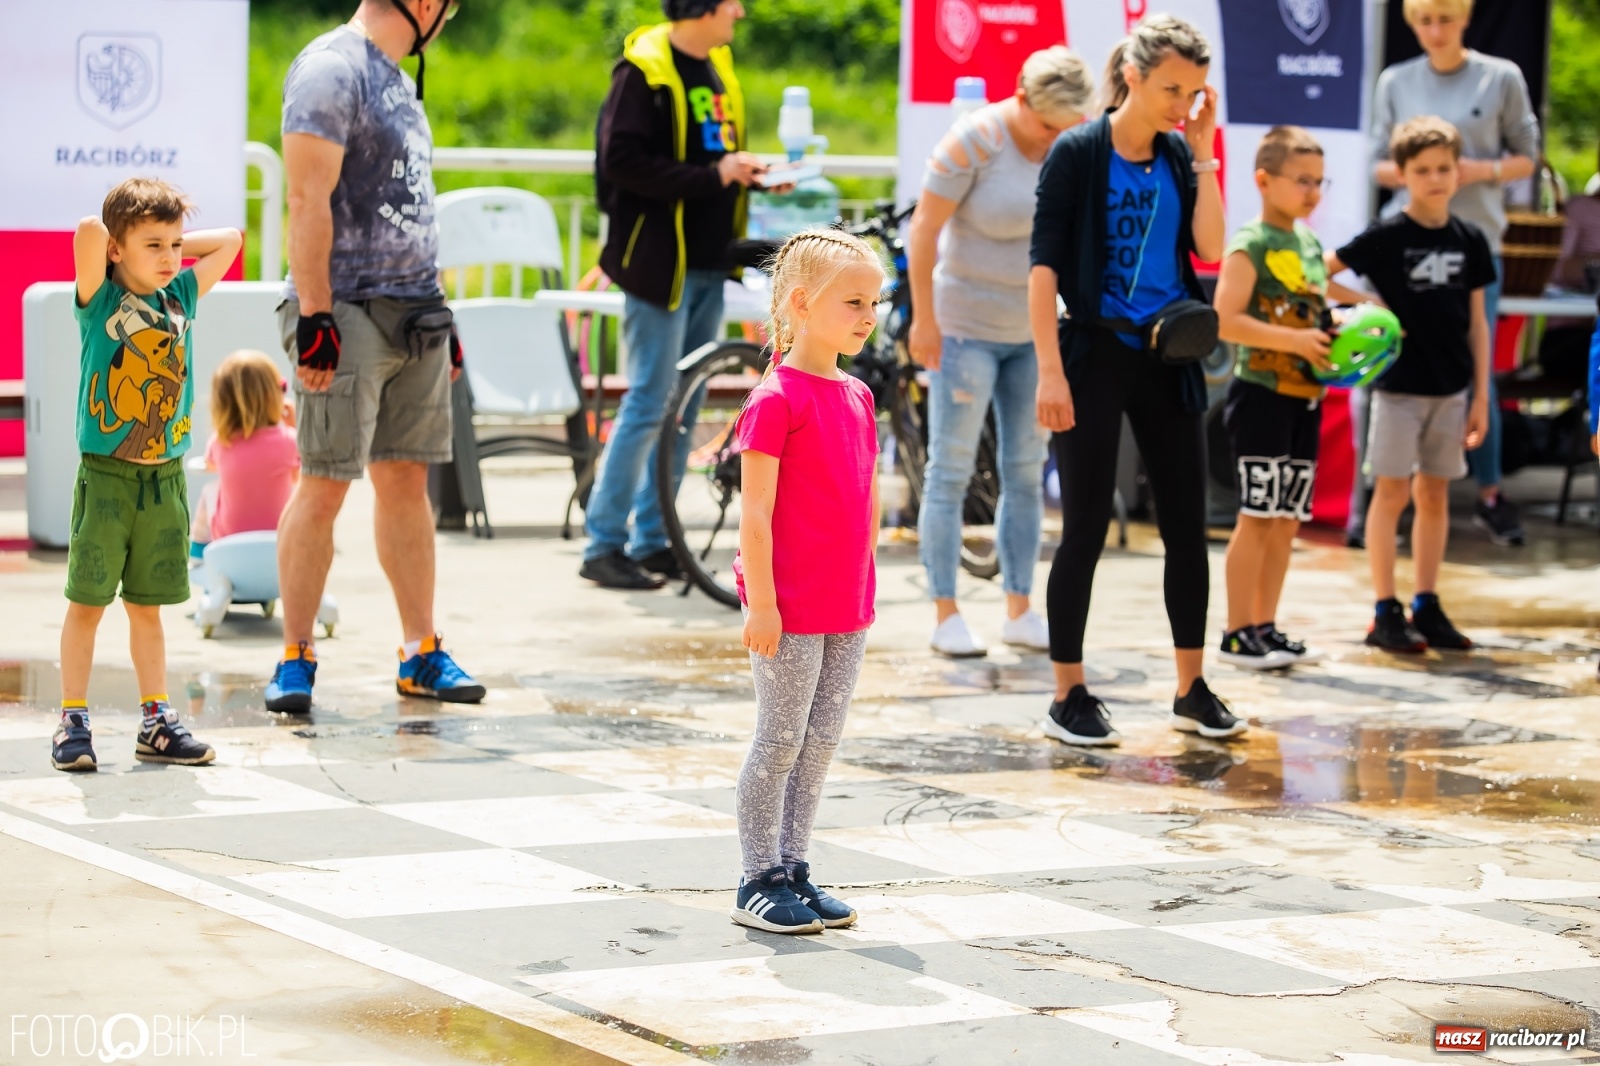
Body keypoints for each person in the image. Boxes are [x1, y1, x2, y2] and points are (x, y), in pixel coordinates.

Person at [1027, 14, 1246, 746]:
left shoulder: (1180, 154)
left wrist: (1205, 154)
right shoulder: (1079, 152)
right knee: (1085, 526)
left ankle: (1191, 687)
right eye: (1171, 89)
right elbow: (1043, 269)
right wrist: (1050, 373)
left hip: (1167, 354)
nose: (1182, 104)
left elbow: (1209, 248)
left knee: (1185, 525)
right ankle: (1068, 693)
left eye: (1194, 92)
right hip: (1093, 352)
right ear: (1133, 77)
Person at [267, 0, 484, 714]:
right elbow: (306, 197)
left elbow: (412, 206)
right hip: (348, 308)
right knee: (326, 480)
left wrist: (441, 312)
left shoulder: (396, 76)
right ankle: (296, 654)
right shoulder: (332, 68)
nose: (449, 17)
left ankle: (420, 651)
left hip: (416, 312)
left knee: (406, 482)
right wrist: (316, 315)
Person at [906, 46, 1092, 658]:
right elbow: (925, 230)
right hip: (963, 326)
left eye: (1064, 128)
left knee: (1026, 470)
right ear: (1020, 97)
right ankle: (945, 612)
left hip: (1032, 332)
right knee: (951, 469)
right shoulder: (975, 139)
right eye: (1044, 125)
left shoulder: (1070, 144)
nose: (1052, 138)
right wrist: (924, 319)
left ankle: (1019, 607)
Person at [51, 178, 241, 772]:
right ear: (117, 249)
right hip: (108, 478)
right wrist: (123, 242)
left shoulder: (180, 294)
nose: (169, 257)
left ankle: (156, 721)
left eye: (175, 245)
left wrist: (168, 243)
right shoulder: (100, 300)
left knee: (148, 608)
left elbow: (231, 241)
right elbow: (88, 231)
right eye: (153, 245)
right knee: (87, 604)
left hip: (164, 481)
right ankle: (73, 720)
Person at [584, 0, 767, 590]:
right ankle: (603, 544)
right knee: (649, 401)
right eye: (731, 2)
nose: (739, 12)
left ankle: (654, 538)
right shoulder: (644, 70)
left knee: (685, 405)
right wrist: (714, 176)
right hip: (660, 267)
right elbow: (621, 163)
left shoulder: (717, 67)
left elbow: (712, 154)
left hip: (710, 261)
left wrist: (741, 174)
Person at [730, 229, 881, 933]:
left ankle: (794, 866)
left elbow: (866, 498)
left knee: (820, 741)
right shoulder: (776, 400)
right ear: (801, 303)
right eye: (853, 302)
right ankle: (757, 876)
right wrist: (762, 604)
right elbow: (755, 515)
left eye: (874, 302)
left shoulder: (859, 396)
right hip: (788, 606)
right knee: (780, 740)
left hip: (846, 604)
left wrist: (864, 584)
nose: (868, 316)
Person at [1356, 0, 1539, 547]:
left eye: (1445, 19)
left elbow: (1528, 156)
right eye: (1425, 21)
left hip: (1473, 243)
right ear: (1412, 24)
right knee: (1392, 366)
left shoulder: (1499, 77)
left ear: (1465, 18)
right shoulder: (1396, 80)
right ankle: (1382, 497)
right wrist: (1424, 176)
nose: (1435, 31)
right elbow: (1376, 162)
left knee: (1476, 369)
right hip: (1405, 249)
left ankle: (1488, 493)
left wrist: (1475, 171)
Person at [1327, 117, 1494, 653]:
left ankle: (1427, 602)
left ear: (1459, 171)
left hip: (1451, 390)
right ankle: (1384, 609)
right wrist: (1367, 303)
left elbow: (1478, 323)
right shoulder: (1386, 236)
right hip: (1397, 389)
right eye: (1422, 170)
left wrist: (1481, 396)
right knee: (1392, 492)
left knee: (1435, 493)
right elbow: (1319, 272)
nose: (1435, 179)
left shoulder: (1471, 239)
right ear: (1400, 174)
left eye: (1444, 168)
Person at [1213, 127, 1371, 670]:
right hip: (1260, 396)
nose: (1313, 192)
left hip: (1307, 398)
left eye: (1319, 181)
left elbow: (1318, 301)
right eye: (1302, 180)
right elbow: (1225, 320)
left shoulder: (1307, 245)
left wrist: (1359, 315)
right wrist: (1294, 341)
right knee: (1257, 515)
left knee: (1286, 520)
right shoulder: (1250, 242)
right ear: (1264, 180)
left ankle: (1266, 626)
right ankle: (1236, 633)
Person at [190, 351, 300, 556]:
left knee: (210, 490)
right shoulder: (290, 440)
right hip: (279, 541)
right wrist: (292, 426)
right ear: (273, 396)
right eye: (282, 387)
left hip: (228, 544)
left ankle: (198, 550)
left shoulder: (219, 442)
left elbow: (211, 466)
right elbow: (296, 477)